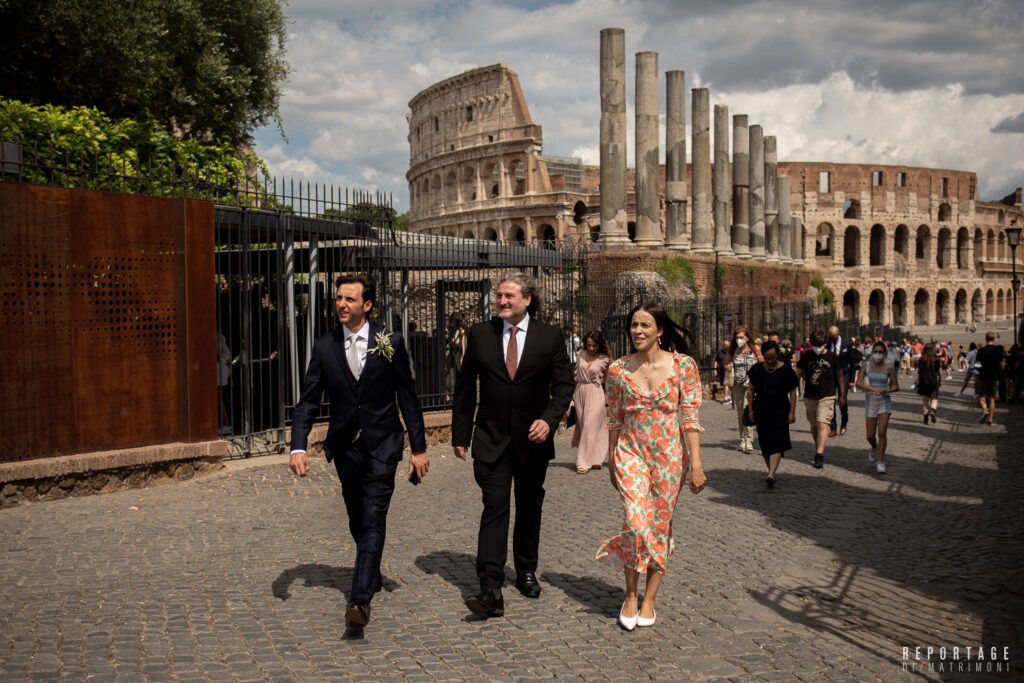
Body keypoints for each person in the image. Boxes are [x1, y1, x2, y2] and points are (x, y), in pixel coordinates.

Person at [289, 274, 428, 638]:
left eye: (349, 299)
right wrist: (298, 445)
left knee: (373, 517)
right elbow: (308, 401)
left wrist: (418, 448)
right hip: (345, 447)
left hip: (383, 444)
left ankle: (359, 601)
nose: (341, 304)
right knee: (357, 516)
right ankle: (371, 569)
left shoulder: (390, 342)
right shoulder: (325, 346)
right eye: (338, 298)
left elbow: (407, 397)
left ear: (367, 305)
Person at [452, 271, 574, 617]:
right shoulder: (481, 333)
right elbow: (465, 386)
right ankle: (490, 585)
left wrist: (549, 420)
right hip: (490, 438)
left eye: (509, 296)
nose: (502, 301)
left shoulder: (549, 336)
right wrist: (460, 434)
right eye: (499, 296)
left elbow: (564, 385)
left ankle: (525, 570)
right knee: (495, 506)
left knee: (529, 505)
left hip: (532, 440)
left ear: (527, 299)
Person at [596, 303, 706, 631]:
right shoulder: (618, 369)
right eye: (633, 325)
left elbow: (690, 417)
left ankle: (649, 600)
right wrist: (612, 457)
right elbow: (615, 416)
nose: (637, 331)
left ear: (660, 331)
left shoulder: (683, 366)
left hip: (670, 458)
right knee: (635, 522)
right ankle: (630, 595)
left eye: (645, 325)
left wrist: (696, 465)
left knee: (659, 527)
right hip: (630, 453)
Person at [745, 340, 798, 488]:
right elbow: (750, 390)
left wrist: (792, 411)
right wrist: (751, 410)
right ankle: (771, 471)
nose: (769, 361)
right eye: (767, 358)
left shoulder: (786, 370)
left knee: (777, 441)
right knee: (765, 443)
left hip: (780, 411)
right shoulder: (757, 370)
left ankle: (771, 474)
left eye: (772, 358)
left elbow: (793, 391)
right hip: (761, 410)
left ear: (777, 355)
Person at [796, 329, 846, 469]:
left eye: (819, 345)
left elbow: (840, 376)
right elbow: (798, 372)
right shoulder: (807, 356)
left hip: (827, 394)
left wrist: (842, 395)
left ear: (825, 343)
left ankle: (819, 454)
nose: (817, 348)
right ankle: (818, 444)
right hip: (810, 395)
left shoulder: (832, 356)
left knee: (822, 424)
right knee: (814, 426)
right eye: (814, 345)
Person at [855, 341, 900, 473]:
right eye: (875, 352)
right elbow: (858, 383)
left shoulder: (889, 367)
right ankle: (874, 447)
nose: (878, 354)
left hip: (884, 401)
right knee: (870, 435)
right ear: (872, 353)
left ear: (885, 354)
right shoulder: (866, 366)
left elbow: (896, 386)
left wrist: (887, 390)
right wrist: (872, 388)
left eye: (880, 352)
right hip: (870, 401)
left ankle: (880, 461)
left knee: (882, 432)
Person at [572, 330, 611, 474]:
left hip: (595, 391)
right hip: (580, 391)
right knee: (585, 426)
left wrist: (609, 397)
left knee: (590, 425)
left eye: (594, 345)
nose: (591, 348)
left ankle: (583, 462)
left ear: (599, 345)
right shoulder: (580, 354)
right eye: (589, 345)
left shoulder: (604, 358)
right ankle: (595, 459)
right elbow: (575, 372)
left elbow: (607, 378)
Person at [725, 327, 761, 453]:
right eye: (737, 338)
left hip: (751, 385)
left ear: (747, 338)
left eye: (741, 337)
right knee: (740, 413)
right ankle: (742, 439)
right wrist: (728, 366)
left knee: (748, 410)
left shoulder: (755, 349)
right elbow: (726, 363)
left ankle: (749, 440)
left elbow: (762, 362)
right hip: (737, 384)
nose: (739, 340)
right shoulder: (733, 350)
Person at [827, 326, 855, 436]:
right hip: (831, 376)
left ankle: (844, 422)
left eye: (833, 338)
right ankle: (833, 427)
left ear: (838, 334)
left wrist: (852, 380)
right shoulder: (827, 344)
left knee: (842, 400)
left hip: (844, 376)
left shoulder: (847, 344)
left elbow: (852, 363)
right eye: (830, 338)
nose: (832, 340)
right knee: (830, 401)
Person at [974, 331, 1006, 425]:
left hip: (983, 376)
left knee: (982, 398)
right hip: (994, 376)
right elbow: (1002, 364)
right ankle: (990, 420)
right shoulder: (998, 350)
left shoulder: (981, 350)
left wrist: (978, 369)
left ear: (985, 338)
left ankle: (985, 411)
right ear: (994, 338)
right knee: (992, 398)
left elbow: (977, 364)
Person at [915, 343, 942, 424]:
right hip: (933, 381)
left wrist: (916, 381)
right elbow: (939, 372)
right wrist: (940, 380)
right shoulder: (936, 359)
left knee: (925, 401)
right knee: (934, 399)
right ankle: (933, 410)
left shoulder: (921, 359)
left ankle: (925, 418)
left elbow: (918, 372)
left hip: (923, 381)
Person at [444, 316, 468, 400]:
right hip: (452, 352)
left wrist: (463, 357)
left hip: (458, 352)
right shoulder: (453, 331)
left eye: (452, 320)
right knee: (449, 376)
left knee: (460, 372)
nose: (451, 322)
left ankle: (464, 394)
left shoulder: (462, 331)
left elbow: (463, 344)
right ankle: (451, 395)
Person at [217, 329, 233, 436]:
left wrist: (218, 358)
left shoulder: (219, 337)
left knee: (218, 398)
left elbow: (227, 355)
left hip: (218, 371)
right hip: (215, 370)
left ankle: (227, 424)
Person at [714, 339, 732, 405]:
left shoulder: (730, 352)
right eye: (726, 345)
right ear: (723, 345)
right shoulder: (719, 352)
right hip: (722, 371)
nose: (727, 347)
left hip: (729, 371)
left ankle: (726, 398)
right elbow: (716, 361)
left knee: (727, 384)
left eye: (728, 345)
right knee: (725, 384)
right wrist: (715, 369)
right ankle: (728, 398)